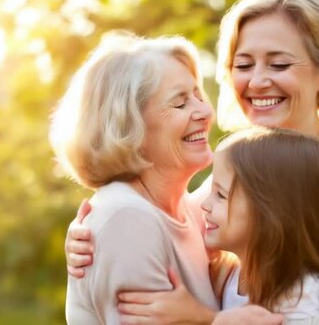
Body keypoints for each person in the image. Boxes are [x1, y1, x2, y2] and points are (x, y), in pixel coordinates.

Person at [66, 0, 319, 324]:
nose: (258, 81)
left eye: (279, 64)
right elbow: (176, 221)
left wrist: (204, 319)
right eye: (243, 65)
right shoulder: (245, 161)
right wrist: (90, 236)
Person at [50, 32, 225, 324]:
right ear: (130, 127)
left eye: (198, 95)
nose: (206, 112)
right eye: (180, 104)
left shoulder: (191, 210)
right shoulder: (126, 218)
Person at [204, 127, 319, 319]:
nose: (205, 204)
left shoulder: (295, 296)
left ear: (267, 211)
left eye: (220, 195)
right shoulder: (231, 274)